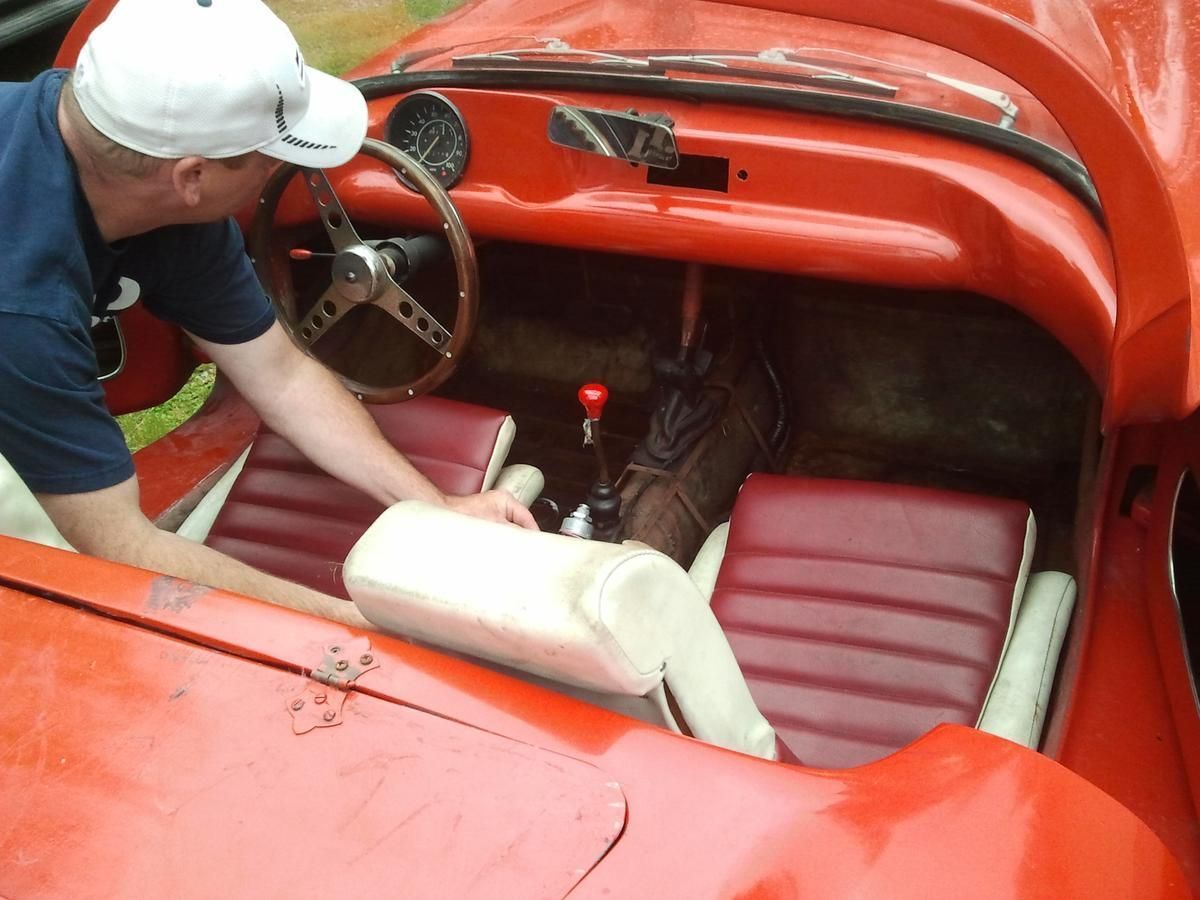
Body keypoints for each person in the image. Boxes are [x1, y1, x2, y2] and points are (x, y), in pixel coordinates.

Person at [0, 0, 536, 622]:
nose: (289, 168)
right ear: (193, 176)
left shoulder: (132, 154)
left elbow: (280, 374)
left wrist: (433, 509)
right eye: (274, 153)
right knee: (36, 585)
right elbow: (121, 546)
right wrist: (366, 627)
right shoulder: (24, 310)